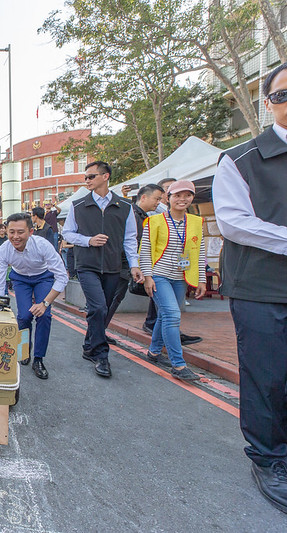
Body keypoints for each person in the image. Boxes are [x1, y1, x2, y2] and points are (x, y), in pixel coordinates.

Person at [214, 63, 287, 514]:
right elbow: (234, 223)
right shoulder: (241, 159)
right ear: (268, 103)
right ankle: (269, 457)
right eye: (283, 94)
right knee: (267, 376)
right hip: (262, 288)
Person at [62, 160, 144, 378]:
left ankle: (89, 345)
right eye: (85, 177)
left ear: (105, 176)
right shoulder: (78, 205)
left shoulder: (124, 206)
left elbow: (129, 239)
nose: (87, 181)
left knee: (103, 309)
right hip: (87, 265)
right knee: (97, 308)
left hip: (113, 266)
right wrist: (88, 240)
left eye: (91, 176)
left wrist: (134, 265)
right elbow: (67, 233)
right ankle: (101, 355)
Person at [139, 180, 206, 380]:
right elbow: (145, 251)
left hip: (180, 277)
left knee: (165, 316)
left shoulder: (196, 222)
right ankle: (178, 365)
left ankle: (153, 352)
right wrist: (148, 277)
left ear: (192, 198)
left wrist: (201, 279)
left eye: (187, 195)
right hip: (159, 275)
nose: (182, 199)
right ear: (168, 198)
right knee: (172, 315)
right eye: (177, 195)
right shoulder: (154, 221)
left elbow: (199, 252)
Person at [0, 212, 69, 380]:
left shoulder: (42, 245)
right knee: (24, 316)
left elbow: (62, 276)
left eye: (20, 232)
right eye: (11, 232)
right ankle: (24, 349)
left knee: (44, 315)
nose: (15, 237)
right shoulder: (3, 250)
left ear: (30, 232)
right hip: (20, 279)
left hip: (43, 277)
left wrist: (45, 303)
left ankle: (39, 359)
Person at [103, 183, 164, 339]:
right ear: (143, 197)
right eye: (156, 199)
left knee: (112, 301)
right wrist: (132, 265)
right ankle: (97, 335)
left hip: (124, 266)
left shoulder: (142, 216)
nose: (158, 203)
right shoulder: (134, 215)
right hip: (122, 267)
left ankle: (98, 333)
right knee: (112, 301)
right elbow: (130, 242)